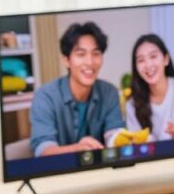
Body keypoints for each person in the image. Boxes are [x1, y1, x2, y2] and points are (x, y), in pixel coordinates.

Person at [30, 22, 124, 157]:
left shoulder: (109, 92)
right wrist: (78, 148)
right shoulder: (45, 96)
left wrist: (120, 139)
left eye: (96, 53)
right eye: (81, 54)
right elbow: (43, 150)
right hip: (59, 173)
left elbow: (114, 135)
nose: (90, 62)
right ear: (66, 60)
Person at [125, 34, 174, 142]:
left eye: (153, 56)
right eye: (141, 60)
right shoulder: (132, 104)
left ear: (166, 59)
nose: (148, 65)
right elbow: (138, 143)